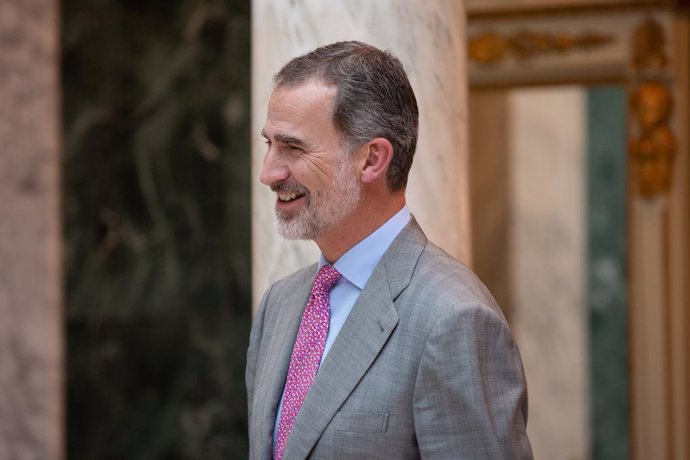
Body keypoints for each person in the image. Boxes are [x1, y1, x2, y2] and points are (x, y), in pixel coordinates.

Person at [246, 41, 533, 459]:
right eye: (269, 144)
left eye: (294, 148)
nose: (268, 172)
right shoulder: (279, 305)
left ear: (372, 159)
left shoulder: (453, 318)